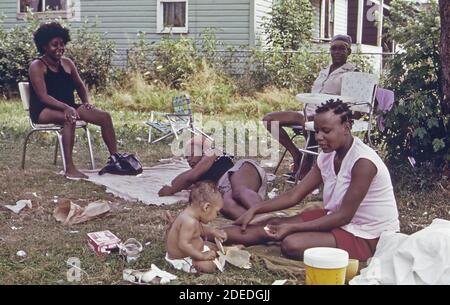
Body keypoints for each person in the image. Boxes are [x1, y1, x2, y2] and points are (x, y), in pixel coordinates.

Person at [223, 100, 400, 261]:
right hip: (335, 218)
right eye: (316, 131)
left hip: (368, 235)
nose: (318, 137)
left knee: (292, 243)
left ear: (346, 127)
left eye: (326, 131)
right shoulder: (327, 156)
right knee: (272, 227)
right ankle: (208, 234)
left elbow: (344, 216)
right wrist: (255, 208)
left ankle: (298, 233)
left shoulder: (363, 163)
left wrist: (294, 227)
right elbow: (295, 195)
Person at [28, 22, 118, 179]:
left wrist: (85, 102)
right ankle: (70, 168)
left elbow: (80, 85)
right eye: (54, 45)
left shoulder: (67, 63)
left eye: (62, 44)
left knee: (104, 116)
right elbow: (43, 96)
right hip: (43, 109)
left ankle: (116, 160)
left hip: (69, 106)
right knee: (69, 117)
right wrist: (66, 108)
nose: (60, 48)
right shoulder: (37, 65)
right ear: (44, 47)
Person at [263, 34, 358, 180]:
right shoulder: (324, 71)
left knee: (312, 123)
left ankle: (305, 169)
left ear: (349, 52)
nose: (337, 52)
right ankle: (297, 155)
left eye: (342, 49)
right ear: (330, 51)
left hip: (328, 115)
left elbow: (351, 102)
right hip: (307, 111)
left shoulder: (352, 72)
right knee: (269, 120)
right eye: (334, 48)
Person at [158, 136, 268, 220]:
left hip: (239, 172)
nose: (189, 159)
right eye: (186, 157)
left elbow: (190, 177)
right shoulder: (201, 173)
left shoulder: (213, 153)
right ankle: (263, 222)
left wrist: (172, 189)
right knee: (227, 205)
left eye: (192, 154)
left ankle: (268, 216)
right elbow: (187, 179)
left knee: (240, 191)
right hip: (228, 188)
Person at [165, 181, 227, 273]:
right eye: (216, 213)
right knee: (209, 267)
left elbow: (197, 231)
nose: (216, 216)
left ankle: (210, 252)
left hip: (191, 251)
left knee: (212, 246)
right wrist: (202, 256)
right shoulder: (189, 221)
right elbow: (183, 244)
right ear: (206, 207)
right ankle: (196, 264)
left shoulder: (191, 216)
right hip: (183, 258)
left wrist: (213, 231)